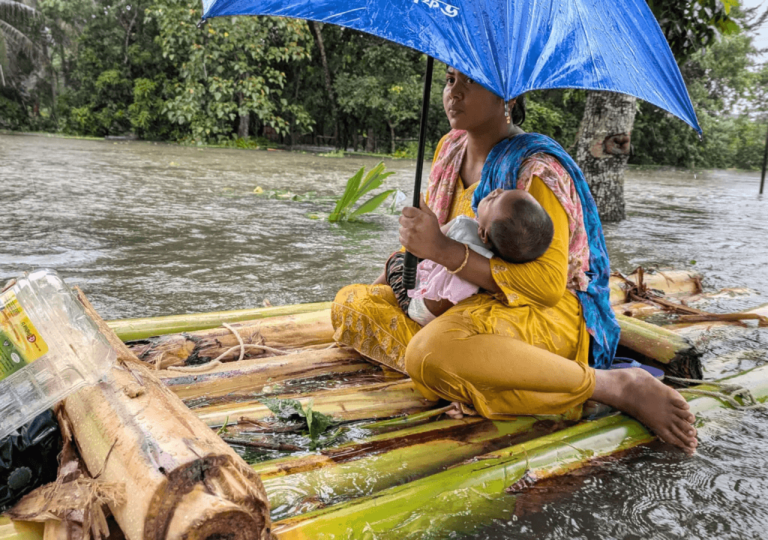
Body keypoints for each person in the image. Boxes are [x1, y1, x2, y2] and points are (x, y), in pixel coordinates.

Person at [331, 68, 697, 453]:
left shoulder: (536, 170)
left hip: (534, 312)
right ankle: (477, 379)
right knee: (351, 303)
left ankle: (611, 385)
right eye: (450, 80)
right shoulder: (447, 150)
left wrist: (442, 250)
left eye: (470, 82)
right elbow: (430, 250)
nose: (453, 93)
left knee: (430, 353)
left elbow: (547, 286)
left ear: (508, 98)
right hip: (457, 302)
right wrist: (406, 259)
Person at [385, 188, 554, 326]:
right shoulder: (497, 265)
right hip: (439, 318)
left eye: (495, 199)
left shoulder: (464, 225)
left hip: (417, 308)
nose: (497, 190)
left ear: (482, 233)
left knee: (396, 260)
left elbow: (422, 249)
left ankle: (372, 290)